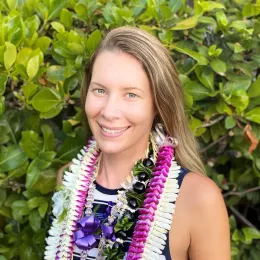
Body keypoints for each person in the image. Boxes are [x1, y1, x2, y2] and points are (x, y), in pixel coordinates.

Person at [45, 26, 230, 260]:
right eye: (100, 90)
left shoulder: (197, 198)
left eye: (131, 94)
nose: (110, 111)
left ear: (158, 105)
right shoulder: (69, 178)